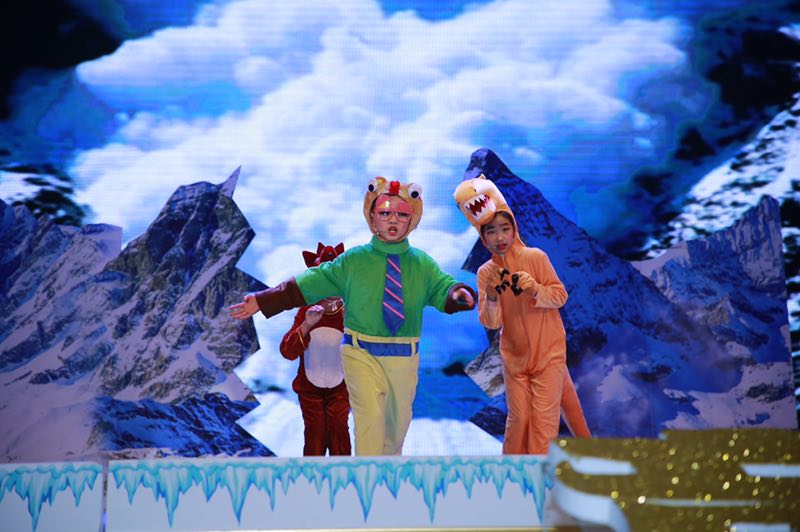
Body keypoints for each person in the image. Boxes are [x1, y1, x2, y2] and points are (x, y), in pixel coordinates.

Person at [229, 177, 476, 456]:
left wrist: (456, 294)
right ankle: (366, 477)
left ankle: (386, 476)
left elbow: (441, 286)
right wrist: (264, 300)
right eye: (385, 213)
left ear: (412, 221)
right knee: (368, 419)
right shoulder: (353, 261)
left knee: (396, 428)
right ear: (371, 217)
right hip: (360, 353)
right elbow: (311, 281)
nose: (393, 220)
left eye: (402, 214)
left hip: (403, 357)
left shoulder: (422, 264)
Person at [453, 174, 590, 455]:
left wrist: (535, 289)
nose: (499, 237)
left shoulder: (535, 258)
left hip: (548, 353)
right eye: (491, 232)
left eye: (505, 229)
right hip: (514, 359)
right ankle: (511, 477)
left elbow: (560, 296)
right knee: (518, 422)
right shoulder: (486, 272)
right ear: (483, 237)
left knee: (543, 425)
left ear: (514, 227)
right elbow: (491, 321)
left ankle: (540, 478)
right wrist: (492, 296)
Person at [280, 242, 351, 456]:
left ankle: (343, 474)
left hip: (341, 388)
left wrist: (352, 324)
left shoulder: (351, 311)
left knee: (339, 432)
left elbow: (367, 349)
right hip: (310, 389)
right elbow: (287, 351)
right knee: (315, 434)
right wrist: (306, 325)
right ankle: (312, 475)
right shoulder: (307, 311)